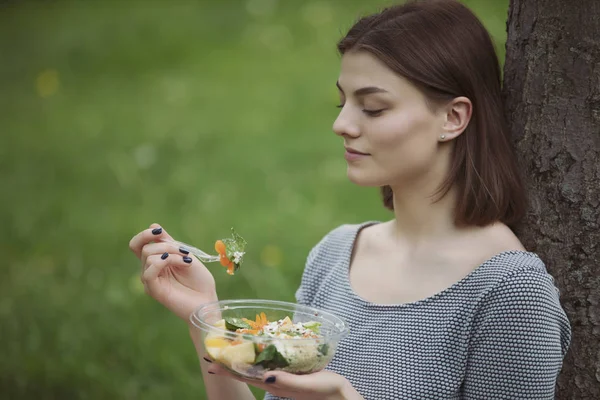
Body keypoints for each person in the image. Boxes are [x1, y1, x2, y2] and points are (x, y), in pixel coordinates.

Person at [128, 0, 572, 399]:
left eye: (373, 107)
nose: (342, 124)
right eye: (342, 103)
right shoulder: (336, 254)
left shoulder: (511, 294)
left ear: (453, 117)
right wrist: (205, 318)